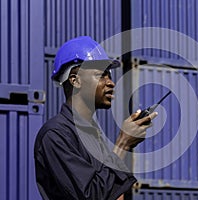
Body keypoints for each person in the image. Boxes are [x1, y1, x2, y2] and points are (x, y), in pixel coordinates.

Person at [34, 36, 157, 200]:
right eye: (101, 75)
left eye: (110, 75)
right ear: (75, 80)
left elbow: (113, 193)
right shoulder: (56, 135)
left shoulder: (92, 134)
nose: (111, 83)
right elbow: (91, 195)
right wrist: (122, 144)